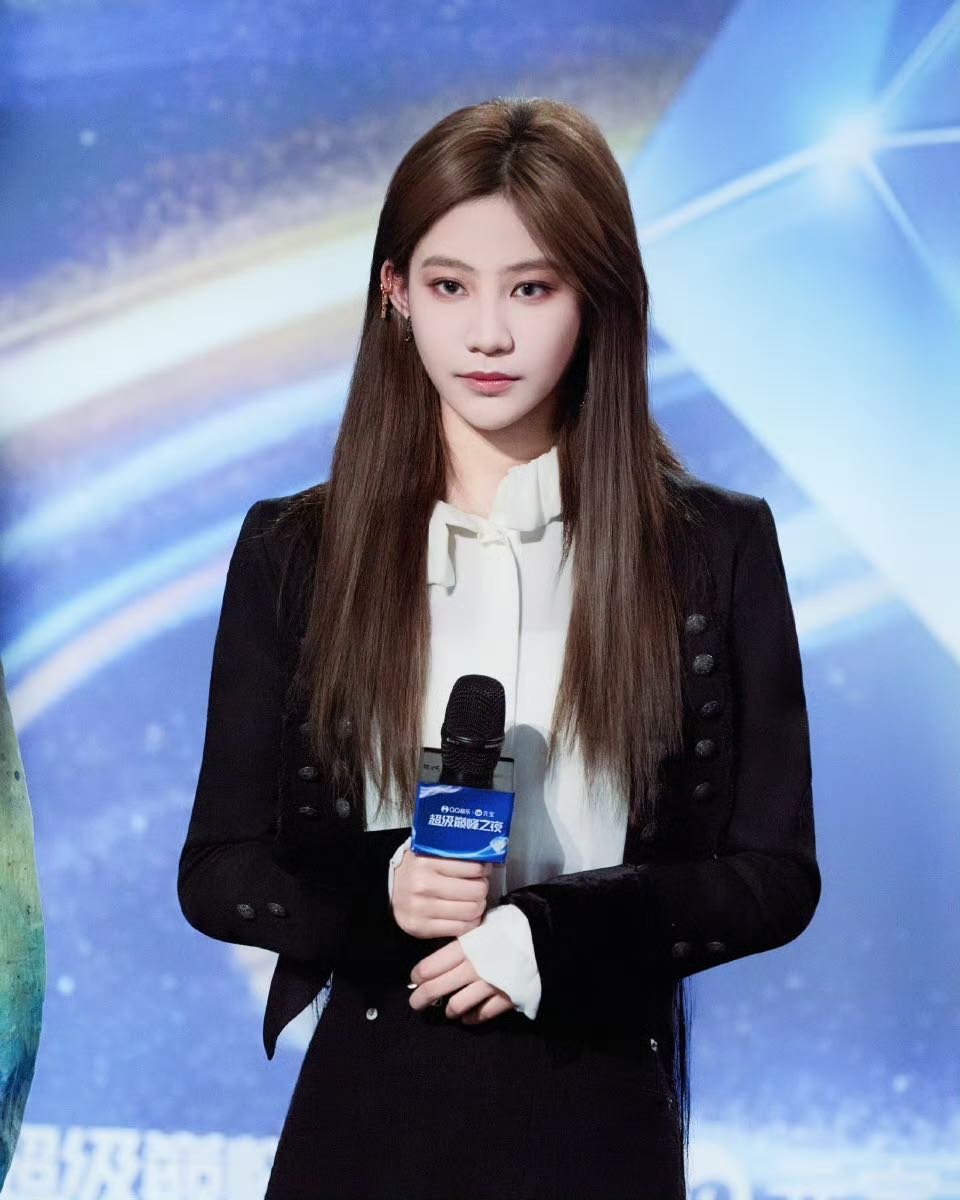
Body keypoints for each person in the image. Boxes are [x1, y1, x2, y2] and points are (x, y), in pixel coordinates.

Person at [177, 96, 820, 1200]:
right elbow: (220, 870)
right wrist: (385, 886)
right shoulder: (296, 550)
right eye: (449, 286)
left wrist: (555, 936)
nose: (487, 335)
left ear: (597, 298)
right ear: (394, 293)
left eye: (531, 288)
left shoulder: (713, 550)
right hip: (368, 1106)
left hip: (596, 1105)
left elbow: (772, 875)